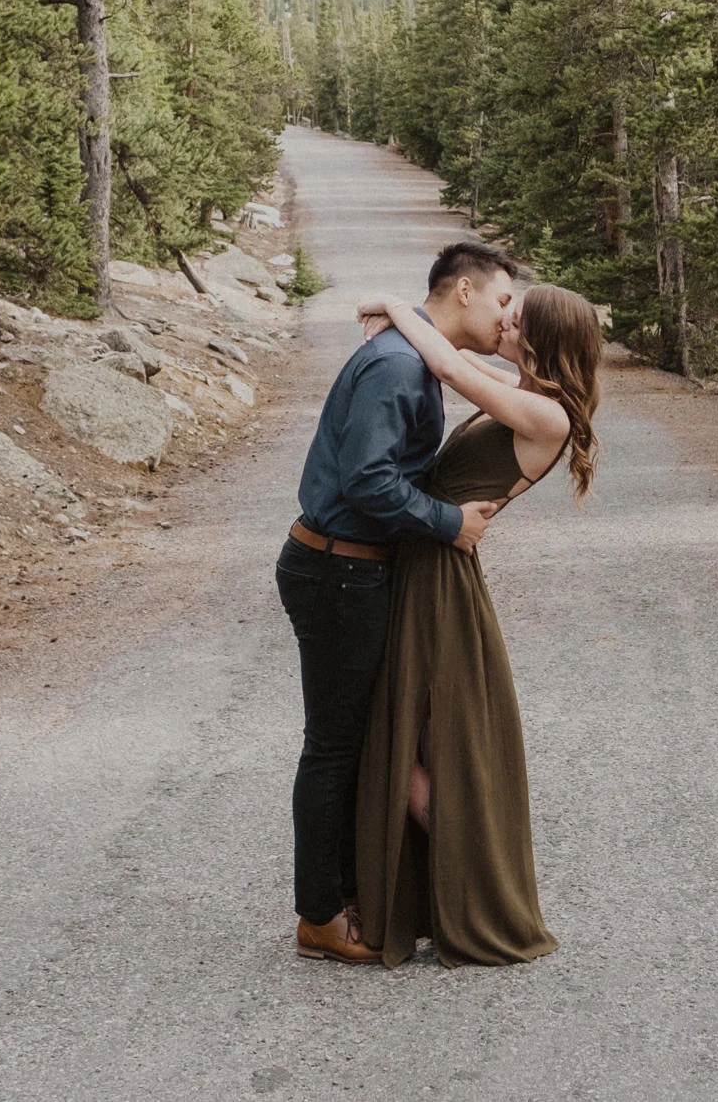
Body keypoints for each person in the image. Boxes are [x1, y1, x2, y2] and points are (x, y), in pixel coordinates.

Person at [277, 240, 523, 964]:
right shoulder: (397, 366)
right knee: (335, 744)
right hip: (338, 568)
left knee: (357, 738)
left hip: (351, 567)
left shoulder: (412, 356)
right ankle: (319, 916)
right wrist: (451, 523)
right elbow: (368, 481)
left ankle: (354, 892)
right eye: (502, 299)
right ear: (465, 290)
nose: (506, 317)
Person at [348, 280, 602, 967]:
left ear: (544, 338)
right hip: (429, 566)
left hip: (438, 581)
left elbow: (449, 366)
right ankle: (451, 890)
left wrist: (399, 308)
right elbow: (459, 361)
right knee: (410, 733)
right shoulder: (524, 394)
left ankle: (479, 893)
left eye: (518, 317)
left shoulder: (547, 417)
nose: (504, 320)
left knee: (406, 732)